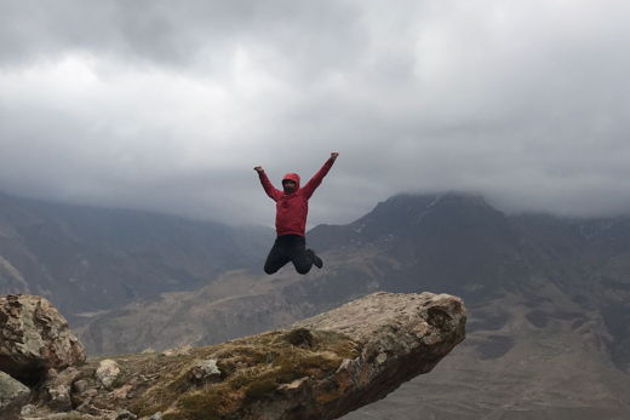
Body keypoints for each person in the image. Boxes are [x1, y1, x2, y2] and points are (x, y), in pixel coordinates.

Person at [254, 152, 339, 275]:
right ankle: (290, 256)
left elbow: (318, 177)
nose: (288, 185)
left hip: (296, 239)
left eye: (291, 182)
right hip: (281, 240)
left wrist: (331, 160)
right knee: (269, 269)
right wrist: (261, 173)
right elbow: (268, 187)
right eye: (286, 182)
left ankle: (309, 254)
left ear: (296, 184)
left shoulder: (303, 194)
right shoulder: (279, 196)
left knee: (303, 269)